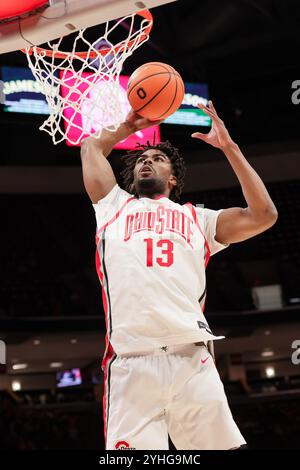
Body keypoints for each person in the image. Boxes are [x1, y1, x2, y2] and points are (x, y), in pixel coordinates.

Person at [80, 101, 278, 450]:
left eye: (157, 158)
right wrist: (129, 125)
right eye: (143, 158)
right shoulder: (112, 207)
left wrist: (229, 148)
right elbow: (92, 146)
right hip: (131, 363)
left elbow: (263, 214)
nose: (147, 161)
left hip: (192, 360)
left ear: (172, 178)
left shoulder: (198, 219)